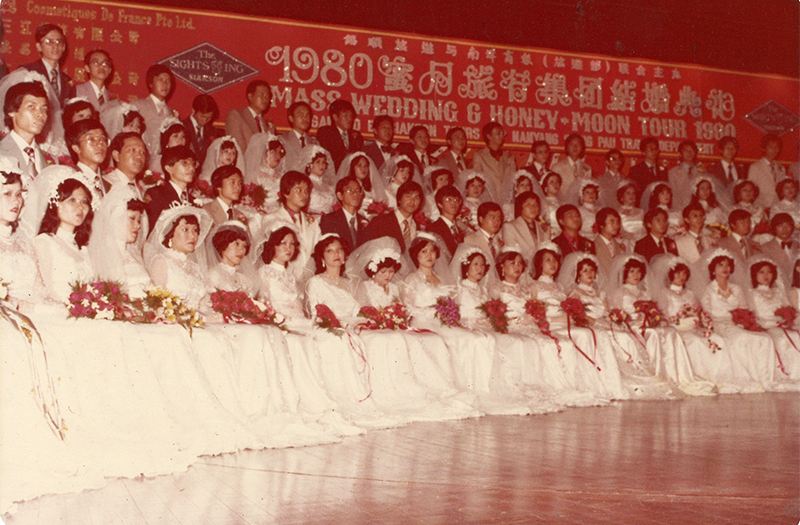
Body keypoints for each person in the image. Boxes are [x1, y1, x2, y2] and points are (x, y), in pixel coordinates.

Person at [700, 249, 777, 391]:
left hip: (738, 324)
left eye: (728, 265)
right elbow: (706, 313)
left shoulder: (737, 288)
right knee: (742, 338)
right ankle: (747, 377)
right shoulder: (708, 290)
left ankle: (763, 377)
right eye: (721, 265)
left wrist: (743, 320)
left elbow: (744, 308)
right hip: (719, 324)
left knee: (764, 338)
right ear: (713, 269)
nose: (725, 268)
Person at [33, 172, 95, 303]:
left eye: (84, 201)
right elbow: (46, 290)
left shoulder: (84, 249)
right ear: (56, 203)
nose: (80, 207)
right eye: (72, 200)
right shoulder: (44, 242)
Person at [144, 205, 213, 310]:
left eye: (195, 230)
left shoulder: (196, 268)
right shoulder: (162, 262)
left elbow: (203, 306)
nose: (192, 235)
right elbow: (155, 304)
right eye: (185, 229)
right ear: (170, 234)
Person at [88, 185, 150, 298]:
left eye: (139, 220)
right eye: (132, 218)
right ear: (116, 218)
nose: (138, 226)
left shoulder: (133, 254)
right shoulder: (102, 254)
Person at [0, 160, 43, 308]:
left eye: (18, 194)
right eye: (7, 193)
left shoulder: (25, 246)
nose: (16, 201)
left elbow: (41, 292)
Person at [264, 171, 320, 282]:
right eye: (299, 190)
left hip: (309, 277)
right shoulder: (272, 218)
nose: (304, 195)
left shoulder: (312, 221)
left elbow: (317, 250)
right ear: (286, 193)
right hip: (282, 277)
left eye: (306, 191)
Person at [0, 81, 49, 186]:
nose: (40, 114)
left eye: (44, 109)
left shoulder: (51, 159)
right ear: (12, 111)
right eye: (31, 107)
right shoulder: (2, 152)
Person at [144, 145, 197, 232]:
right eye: (184, 163)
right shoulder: (156, 194)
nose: (191, 168)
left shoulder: (193, 201)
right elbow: (152, 230)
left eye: (193, 163)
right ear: (169, 168)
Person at [256, 225, 304, 320]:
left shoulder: (291, 277)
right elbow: (264, 305)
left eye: (292, 243)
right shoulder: (264, 272)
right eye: (283, 243)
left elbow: (298, 309)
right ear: (273, 245)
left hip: (296, 321)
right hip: (277, 321)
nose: (289, 248)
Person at [19, 24, 72, 108]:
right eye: (48, 42)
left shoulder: (67, 80)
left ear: (63, 47)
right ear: (39, 47)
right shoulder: (27, 72)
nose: (55, 46)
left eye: (58, 41)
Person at [131, 64, 176, 157]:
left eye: (168, 80)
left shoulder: (172, 114)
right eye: (160, 79)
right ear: (151, 83)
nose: (165, 84)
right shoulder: (137, 106)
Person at [365, 180, 423, 253]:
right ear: (399, 199)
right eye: (408, 196)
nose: (412, 201)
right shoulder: (380, 222)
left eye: (416, 198)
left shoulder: (417, 227)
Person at [206, 221, 257, 296]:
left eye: (244, 246)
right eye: (236, 244)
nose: (241, 250)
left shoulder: (245, 280)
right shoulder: (214, 276)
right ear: (223, 244)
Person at [320, 175, 369, 251]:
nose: (355, 194)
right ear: (340, 195)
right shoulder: (329, 220)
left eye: (358, 190)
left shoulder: (364, 221)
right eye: (350, 191)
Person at [351, 237, 403, 308]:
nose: (387, 275)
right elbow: (360, 311)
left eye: (391, 271)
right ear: (374, 270)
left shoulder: (394, 288)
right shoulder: (365, 287)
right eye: (383, 271)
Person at [225, 79, 273, 154]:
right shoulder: (236, 116)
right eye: (261, 95)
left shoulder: (269, 125)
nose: (265, 98)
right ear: (250, 97)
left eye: (267, 96)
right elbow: (238, 150)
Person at [471, 122, 516, 201]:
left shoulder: (509, 156)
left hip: (507, 200)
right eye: (498, 133)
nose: (501, 136)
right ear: (489, 136)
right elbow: (478, 180)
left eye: (502, 133)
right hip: (487, 199)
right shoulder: (479, 156)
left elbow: (513, 178)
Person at [501, 191, 549, 264]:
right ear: (520, 207)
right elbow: (512, 255)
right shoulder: (510, 227)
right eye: (528, 204)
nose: (533, 207)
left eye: (535, 204)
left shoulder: (543, 227)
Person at [315, 99, 363, 170]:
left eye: (351, 115)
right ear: (335, 117)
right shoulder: (326, 132)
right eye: (345, 116)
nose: (349, 119)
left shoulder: (356, 135)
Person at [65, 118, 108, 196]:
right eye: (91, 139)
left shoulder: (109, 184)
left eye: (102, 139)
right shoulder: (69, 180)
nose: (99, 144)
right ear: (76, 148)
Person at [464, 201, 504, 281]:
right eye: (492, 217)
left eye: (499, 218)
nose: (496, 221)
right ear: (481, 219)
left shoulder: (498, 240)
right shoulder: (470, 239)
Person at [243, 132, 285, 208]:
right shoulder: (255, 175)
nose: (278, 156)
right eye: (273, 152)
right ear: (263, 152)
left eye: (279, 152)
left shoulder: (282, 176)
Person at [294, 144, 336, 215]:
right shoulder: (305, 184)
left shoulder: (328, 186)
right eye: (318, 162)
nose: (321, 165)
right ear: (310, 164)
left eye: (323, 162)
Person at [757, 213, 798, 283]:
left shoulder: (797, 245)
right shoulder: (765, 248)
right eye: (780, 226)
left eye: (788, 225)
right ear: (774, 228)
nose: (784, 229)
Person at [427, 184, 466, 258]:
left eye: (456, 200)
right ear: (440, 204)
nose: (453, 203)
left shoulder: (460, 228)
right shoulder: (433, 228)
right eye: (449, 199)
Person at [748, 133, 786, 209]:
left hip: (777, 207)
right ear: (764, 148)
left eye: (777, 147)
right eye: (771, 146)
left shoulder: (781, 168)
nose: (774, 149)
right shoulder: (755, 167)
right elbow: (750, 190)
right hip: (760, 207)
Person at [103, 132, 147, 197]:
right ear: (117, 155)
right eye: (132, 150)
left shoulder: (140, 190)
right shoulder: (105, 184)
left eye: (143, 152)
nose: (139, 156)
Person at [279, 101, 318, 169]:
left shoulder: (314, 143)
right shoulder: (282, 140)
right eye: (300, 115)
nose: (305, 118)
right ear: (291, 118)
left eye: (307, 115)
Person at [668, 140, 706, 210]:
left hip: (699, 209)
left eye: (692, 150)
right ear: (680, 153)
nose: (689, 153)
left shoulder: (702, 171)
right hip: (679, 209)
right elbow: (673, 194)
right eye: (686, 150)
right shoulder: (673, 172)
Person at [183, 94, 220, 164]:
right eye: (202, 116)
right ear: (193, 110)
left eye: (209, 117)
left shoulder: (212, 131)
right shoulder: (182, 127)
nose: (205, 120)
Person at [593, 207, 626, 276]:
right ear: (601, 225)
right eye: (612, 221)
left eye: (617, 222)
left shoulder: (619, 246)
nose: (616, 225)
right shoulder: (593, 245)